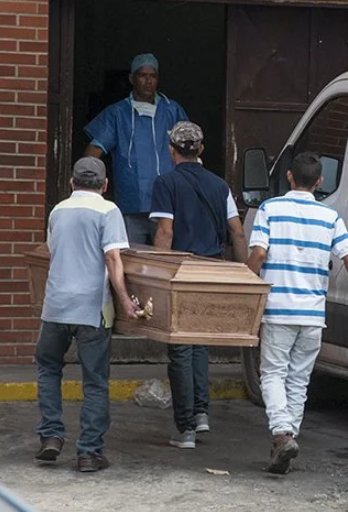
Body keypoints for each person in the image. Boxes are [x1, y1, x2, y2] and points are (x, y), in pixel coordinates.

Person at [247, 151, 348, 474]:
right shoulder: (330, 218)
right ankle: (287, 438)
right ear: (319, 182)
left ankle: (281, 434)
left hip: (278, 310)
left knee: (273, 373)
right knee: (298, 380)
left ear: (289, 177)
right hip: (312, 314)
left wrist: (244, 285)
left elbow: (259, 254)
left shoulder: (270, 209)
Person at [34, 157, 139, 473]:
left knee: (48, 368)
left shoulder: (58, 211)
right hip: (92, 308)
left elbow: (53, 252)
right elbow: (112, 258)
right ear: (105, 185)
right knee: (94, 380)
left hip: (55, 306)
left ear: (72, 183)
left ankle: (51, 437)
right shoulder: (109, 211)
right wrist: (126, 301)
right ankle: (89, 453)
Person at [150, 121, 248, 449]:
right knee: (200, 343)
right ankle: (202, 413)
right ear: (201, 149)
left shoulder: (165, 183)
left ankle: (186, 428)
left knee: (180, 347)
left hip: (180, 270)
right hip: (211, 269)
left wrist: (158, 274)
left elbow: (165, 231)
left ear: (171, 149)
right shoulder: (220, 186)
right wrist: (245, 274)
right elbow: (237, 231)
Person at [84, 53, 188, 245]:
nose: (148, 81)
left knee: (165, 263)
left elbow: (190, 150)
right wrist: (88, 187)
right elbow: (94, 151)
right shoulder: (117, 113)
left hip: (166, 204)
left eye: (153, 76)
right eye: (142, 75)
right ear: (132, 78)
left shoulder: (172, 110)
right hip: (131, 204)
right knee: (131, 259)